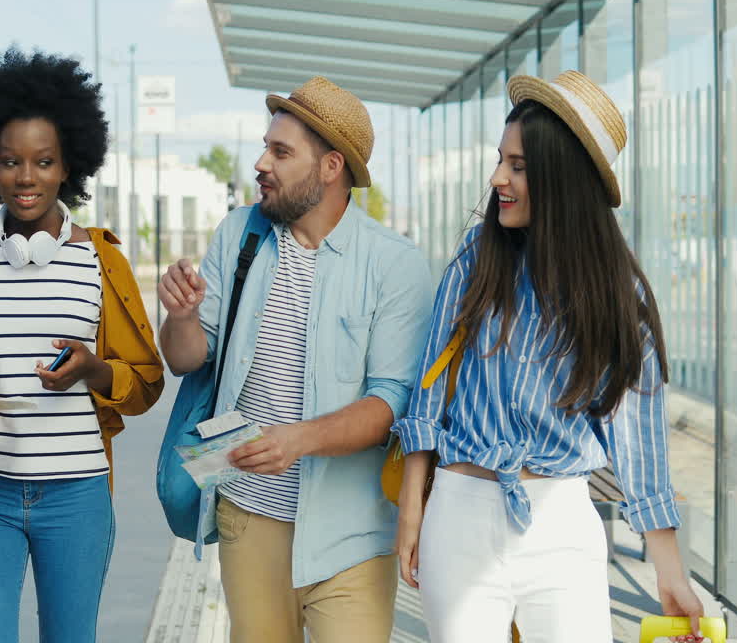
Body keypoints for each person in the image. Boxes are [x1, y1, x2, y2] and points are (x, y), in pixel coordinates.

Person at [392, 71, 705, 642]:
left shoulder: (616, 293)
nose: (497, 179)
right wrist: (413, 509)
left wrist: (670, 573)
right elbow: (428, 393)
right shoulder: (476, 257)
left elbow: (638, 440)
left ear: (561, 178)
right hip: (461, 514)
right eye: (500, 160)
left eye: (518, 166)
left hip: (563, 524)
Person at [158, 76, 434, 643]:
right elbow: (187, 359)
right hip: (245, 514)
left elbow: (392, 402)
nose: (262, 162)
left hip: (350, 534)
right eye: (266, 146)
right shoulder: (240, 234)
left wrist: (296, 440)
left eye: (281, 152)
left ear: (331, 167)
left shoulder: (393, 264)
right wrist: (181, 315)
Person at [0, 47, 165, 643]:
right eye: (11, 161)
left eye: (44, 162)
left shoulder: (103, 260)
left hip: (78, 496)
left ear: (69, 167)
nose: (25, 177)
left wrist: (93, 370)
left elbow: (145, 384)